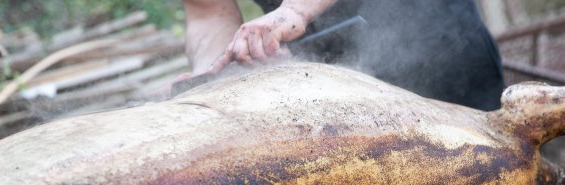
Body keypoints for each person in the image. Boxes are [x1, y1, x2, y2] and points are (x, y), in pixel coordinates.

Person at [181, 0, 504, 111]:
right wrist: (212, 72)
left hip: (433, 41)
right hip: (322, 69)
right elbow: (208, 13)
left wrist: (294, 10)